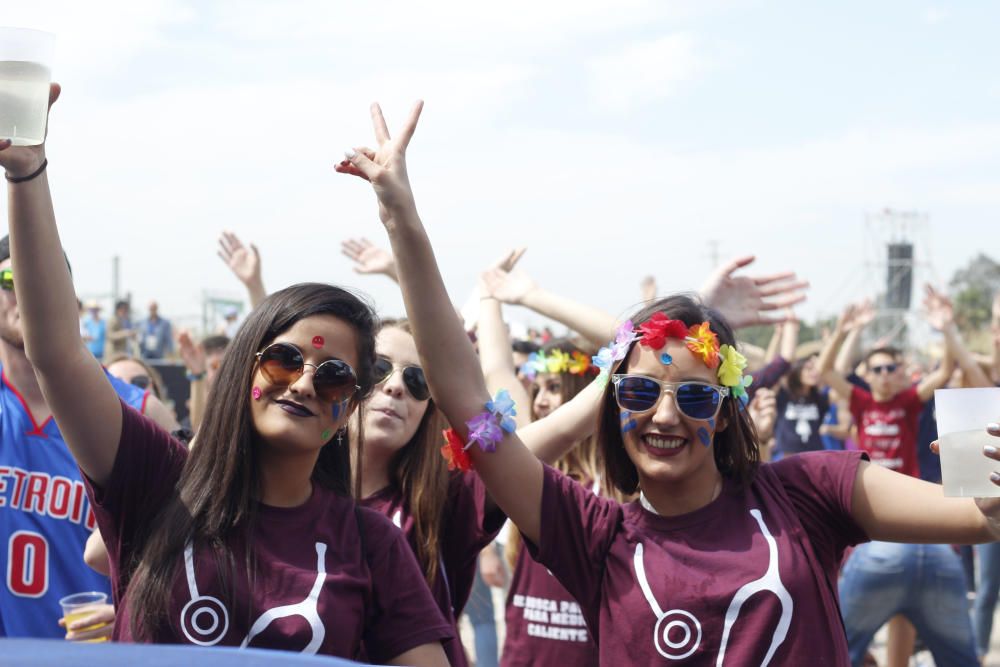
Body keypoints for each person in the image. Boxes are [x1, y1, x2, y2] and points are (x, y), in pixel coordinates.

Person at [336, 99, 1000, 665]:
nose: (664, 415)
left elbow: (975, 515)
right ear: (612, 403)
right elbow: (467, 395)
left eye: (693, 396)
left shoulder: (808, 491)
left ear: (724, 409)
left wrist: (991, 480)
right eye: (638, 391)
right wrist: (403, 222)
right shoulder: (591, 531)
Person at [0, 84, 451, 664]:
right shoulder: (157, 481)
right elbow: (58, 352)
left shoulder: (372, 544)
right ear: (244, 371)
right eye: (286, 359)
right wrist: (27, 170)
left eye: (334, 374)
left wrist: (403, 226)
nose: (306, 382)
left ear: (351, 405)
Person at [0, 234, 176, 640]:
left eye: (39, 278)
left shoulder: (139, 411)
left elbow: (192, 552)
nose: (24, 291)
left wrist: (135, 610)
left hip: (91, 654)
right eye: (10, 279)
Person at [819, 298, 980, 666]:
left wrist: (946, 328)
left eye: (892, 367)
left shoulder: (908, 402)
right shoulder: (861, 402)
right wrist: (848, 329)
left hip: (907, 513)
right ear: (868, 374)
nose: (886, 374)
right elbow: (827, 371)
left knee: (904, 610)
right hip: (869, 515)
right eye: (878, 369)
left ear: (901, 372)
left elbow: (946, 372)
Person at [356, 319, 505, 666]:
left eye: (417, 380)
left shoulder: (448, 494)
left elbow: (535, 445)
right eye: (378, 367)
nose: (394, 386)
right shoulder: (297, 488)